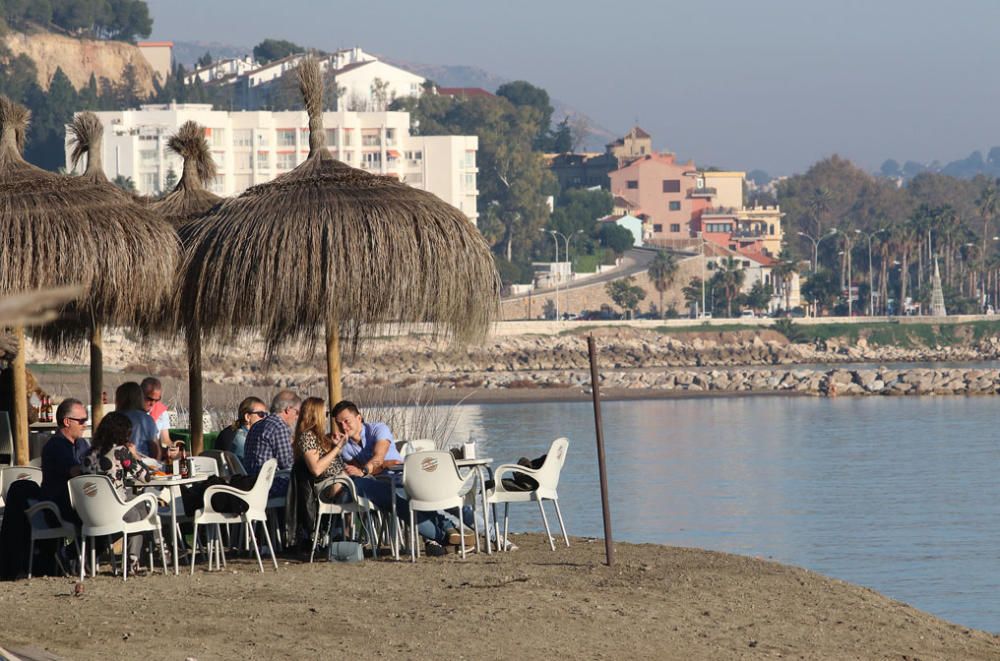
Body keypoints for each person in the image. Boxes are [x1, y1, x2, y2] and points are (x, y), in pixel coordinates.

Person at [331, 400, 469, 557]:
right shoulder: (345, 447)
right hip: (382, 483)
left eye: (346, 421)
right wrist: (378, 465)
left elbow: (378, 456)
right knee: (402, 501)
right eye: (339, 423)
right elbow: (360, 470)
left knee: (431, 496)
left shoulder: (377, 429)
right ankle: (446, 533)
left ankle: (461, 533)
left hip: (403, 477)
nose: (343, 427)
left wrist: (371, 467)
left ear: (359, 418)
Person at [82, 411, 154, 572]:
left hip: (91, 508)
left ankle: (132, 559)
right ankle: (133, 560)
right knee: (136, 513)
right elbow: (145, 477)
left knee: (139, 504)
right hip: (114, 505)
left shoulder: (89, 453)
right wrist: (136, 456)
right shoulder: (121, 452)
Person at [40, 398, 91, 524]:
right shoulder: (56, 446)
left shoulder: (82, 443)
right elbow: (75, 472)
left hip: (81, 502)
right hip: (60, 508)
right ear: (67, 421)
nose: (85, 425)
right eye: (81, 421)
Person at [243, 390, 299, 498]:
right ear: (288, 410)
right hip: (269, 486)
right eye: (297, 412)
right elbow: (288, 464)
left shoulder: (256, 425)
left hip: (251, 482)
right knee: (308, 485)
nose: (297, 417)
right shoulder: (279, 427)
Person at [115, 382, 161, 460]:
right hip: (141, 465)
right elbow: (156, 452)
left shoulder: (111, 418)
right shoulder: (147, 419)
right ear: (140, 398)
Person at [214, 396, 268, 462]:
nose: (265, 418)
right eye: (261, 414)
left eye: (266, 414)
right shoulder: (241, 439)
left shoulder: (230, 431)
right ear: (247, 417)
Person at [141, 377, 172, 451]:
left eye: (157, 400)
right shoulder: (132, 412)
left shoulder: (161, 412)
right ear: (141, 394)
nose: (153, 403)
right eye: (150, 399)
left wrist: (173, 448)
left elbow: (166, 440)